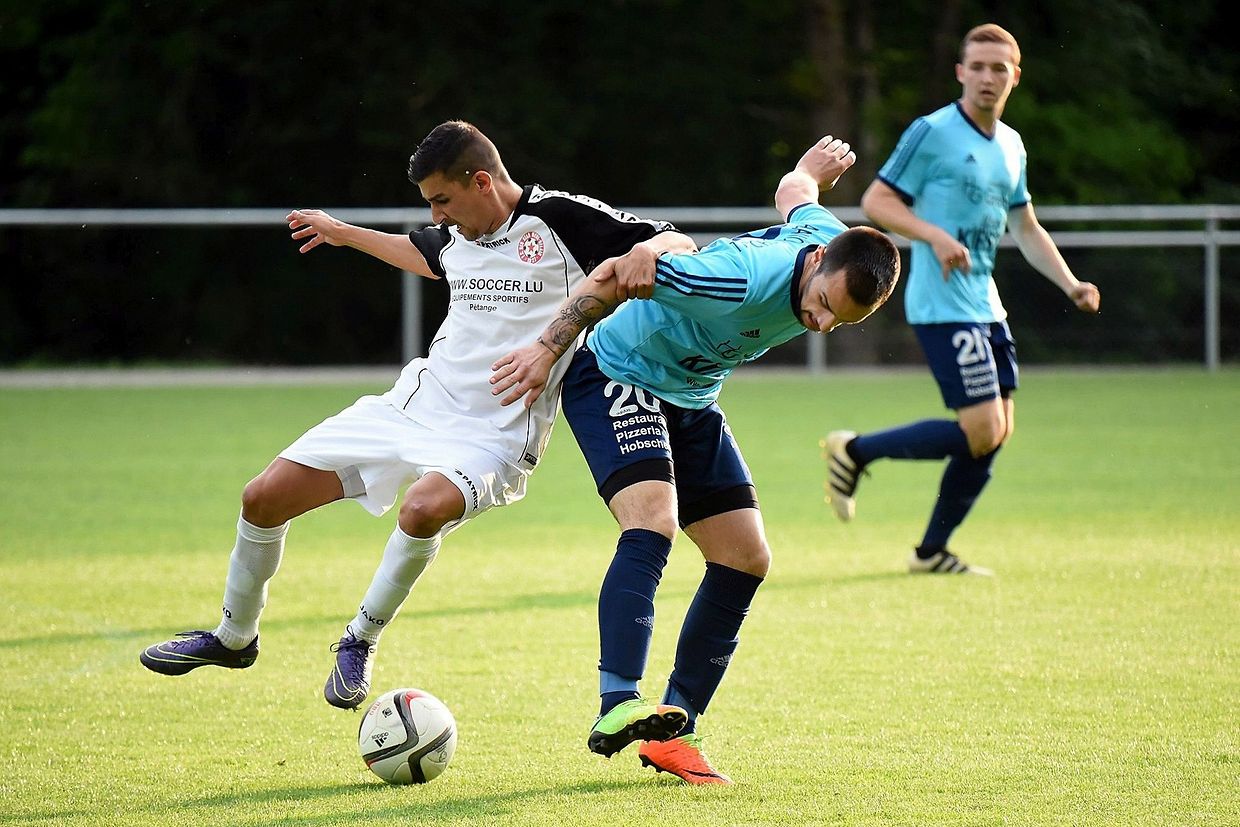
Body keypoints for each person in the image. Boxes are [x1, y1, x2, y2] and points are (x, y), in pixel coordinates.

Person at [139, 120, 696, 717]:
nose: (436, 217)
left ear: (481, 181)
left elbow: (677, 242)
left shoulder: (558, 219)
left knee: (422, 509)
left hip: (496, 432)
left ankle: (359, 639)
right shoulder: (455, 234)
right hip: (414, 404)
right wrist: (341, 233)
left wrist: (643, 251)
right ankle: (233, 638)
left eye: (442, 201)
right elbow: (425, 256)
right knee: (263, 497)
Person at [491, 135, 901, 784]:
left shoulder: (827, 240)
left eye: (838, 322)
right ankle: (618, 700)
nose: (820, 325)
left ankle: (674, 729)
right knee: (652, 521)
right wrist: (546, 351)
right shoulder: (731, 283)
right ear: (817, 262)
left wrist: (807, 171)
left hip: (689, 393)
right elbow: (615, 274)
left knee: (746, 556)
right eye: (822, 305)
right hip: (614, 371)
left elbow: (797, 198)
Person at [822, 23, 1101, 576]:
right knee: (981, 430)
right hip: (942, 304)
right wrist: (934, 235)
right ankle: (854, 451)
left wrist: (1071, 283)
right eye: (977, 66)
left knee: (995, 435)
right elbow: (877, 201)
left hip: (986, 306)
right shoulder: (934, 132)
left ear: (1014, 77)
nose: (987, 78)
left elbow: (1025, 226)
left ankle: (930, 552)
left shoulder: (1013, 146)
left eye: (999, 68)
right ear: (960, 72)